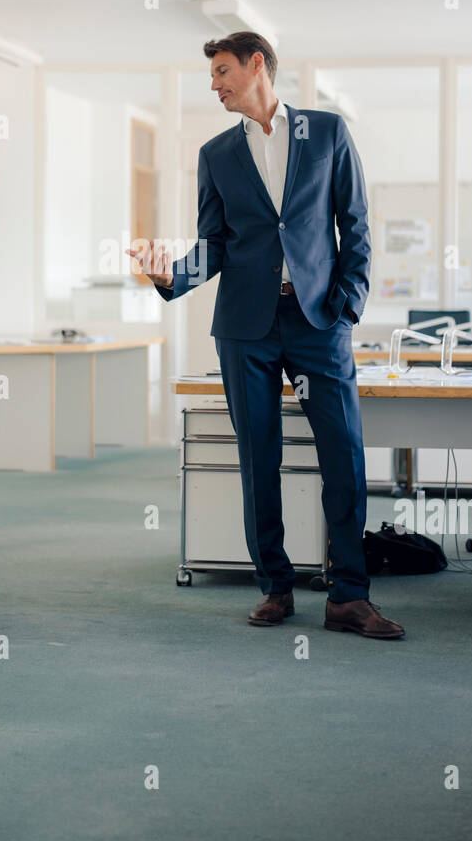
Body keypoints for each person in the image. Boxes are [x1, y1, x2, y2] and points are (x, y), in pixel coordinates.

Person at [128, 32, 404, 639]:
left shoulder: (327, 133)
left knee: (345, 457)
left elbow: (354, 223)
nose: (215, 84)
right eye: (211, 75)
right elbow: (216, 245)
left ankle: (348, 597)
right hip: (245, 329)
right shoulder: (217, 153)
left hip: (317, 322)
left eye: (222, 71)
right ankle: (275, 586)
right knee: (260, 458)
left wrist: (347, 307)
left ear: (258, 65)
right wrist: (170, 276)